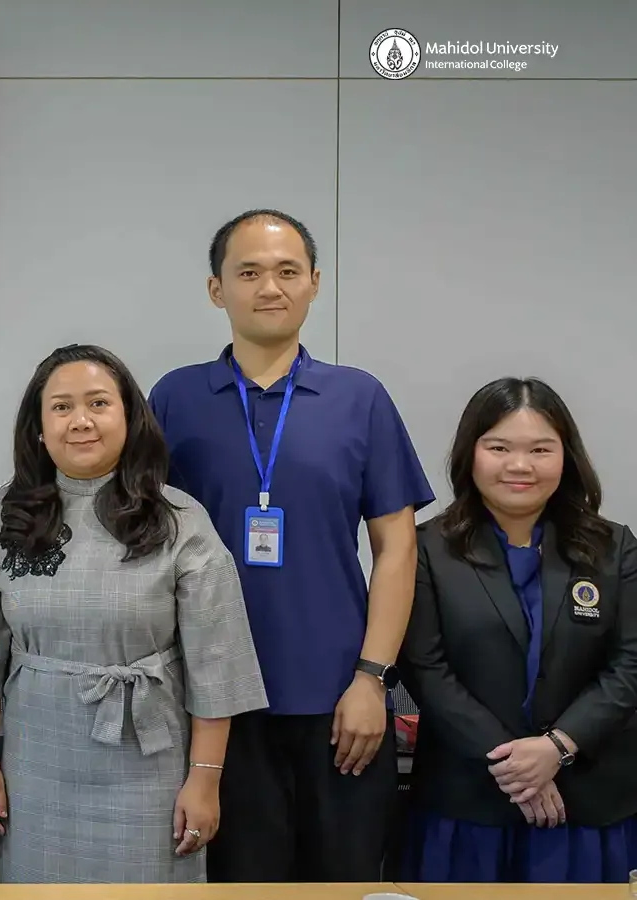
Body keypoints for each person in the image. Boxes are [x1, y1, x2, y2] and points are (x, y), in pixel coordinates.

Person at [148, 209, 435, 881]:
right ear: (217, 289)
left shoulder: (359, 398)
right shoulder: (176, 397)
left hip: (339, 701)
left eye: (286, 271)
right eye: (248, 272)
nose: (270, 287)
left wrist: (372, 678)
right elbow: (144, 542)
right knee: (238, 885)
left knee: (343, 880)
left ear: (314, 283)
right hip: (214, 705)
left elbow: (397, 549)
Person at [0, 344, 269, 882]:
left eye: (98, 403)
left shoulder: (179, 520)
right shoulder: (8, 515)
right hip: (36, 763)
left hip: (150, 762)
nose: (80, 421)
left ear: (130, 418)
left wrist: (205, 779)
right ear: (39, 428)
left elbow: (217, 666)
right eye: (61, 407)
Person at [399, 377, 637, 882]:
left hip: (588, 803)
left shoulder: (615, 548)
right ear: (471, 453)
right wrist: (517, 767)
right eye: (499, 447)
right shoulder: (425, 549)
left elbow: (630, 665)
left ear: (566, 457)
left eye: (540, 449)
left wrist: (557, 747)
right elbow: (425, 669)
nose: (520, 465)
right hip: (467, 802)